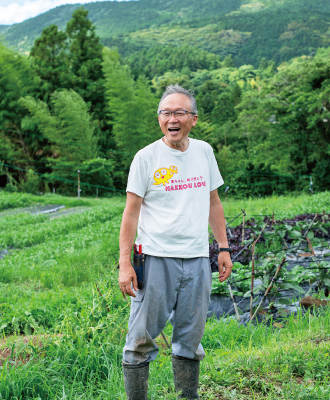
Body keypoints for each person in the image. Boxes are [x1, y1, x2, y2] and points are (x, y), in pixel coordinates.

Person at [119, 84, 233, 399]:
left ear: (193, 119)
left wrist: (223, 247)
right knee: (140, 339)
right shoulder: (146, 158)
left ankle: (188, 396)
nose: (173, 119)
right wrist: (125, 263)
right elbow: (131, 214)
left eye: (180, 112)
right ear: (159, 119)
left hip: (197, 259)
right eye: (166, 113)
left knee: (190, 338)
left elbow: (214, 203)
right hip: (154, 258)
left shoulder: (204, 152)